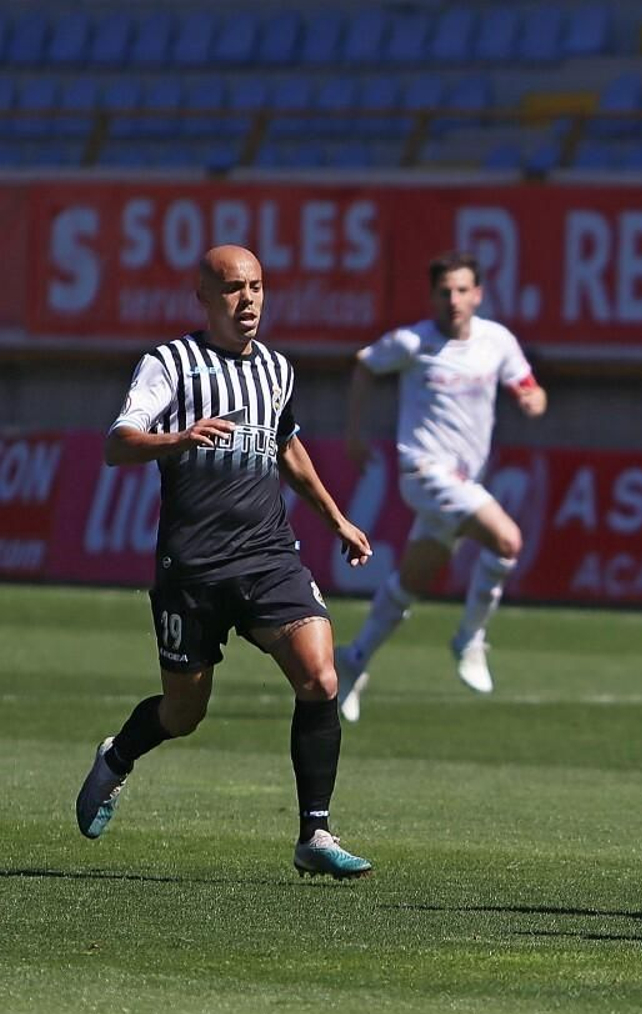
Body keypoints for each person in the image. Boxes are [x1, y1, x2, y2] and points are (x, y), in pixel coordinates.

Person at [74, 245, 376, 879]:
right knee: (184, 712)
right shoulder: (169, 365)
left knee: (320, 678)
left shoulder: (275, 369)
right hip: (194, 568)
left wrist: (337, 519)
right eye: (235, 289)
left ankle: (314, 834)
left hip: (269, 556)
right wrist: (178, 439)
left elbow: (286, 447)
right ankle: (117, 757)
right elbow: (116, 443)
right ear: (204, 298)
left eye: (258, 287)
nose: (249, 301)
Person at [335, 252, 548, 721]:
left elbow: (528, 385)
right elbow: (365, 363)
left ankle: (353, 660)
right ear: (432, 296)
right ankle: (470, 638)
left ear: (478, 295)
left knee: (411, 582)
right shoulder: (414, 342)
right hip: (424, 472)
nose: (453, 299)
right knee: (507, 539)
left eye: (461, 290)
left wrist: (533, 400)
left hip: (464, 480)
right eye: (444, 291)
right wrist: (354, 433)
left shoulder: (497, 341)